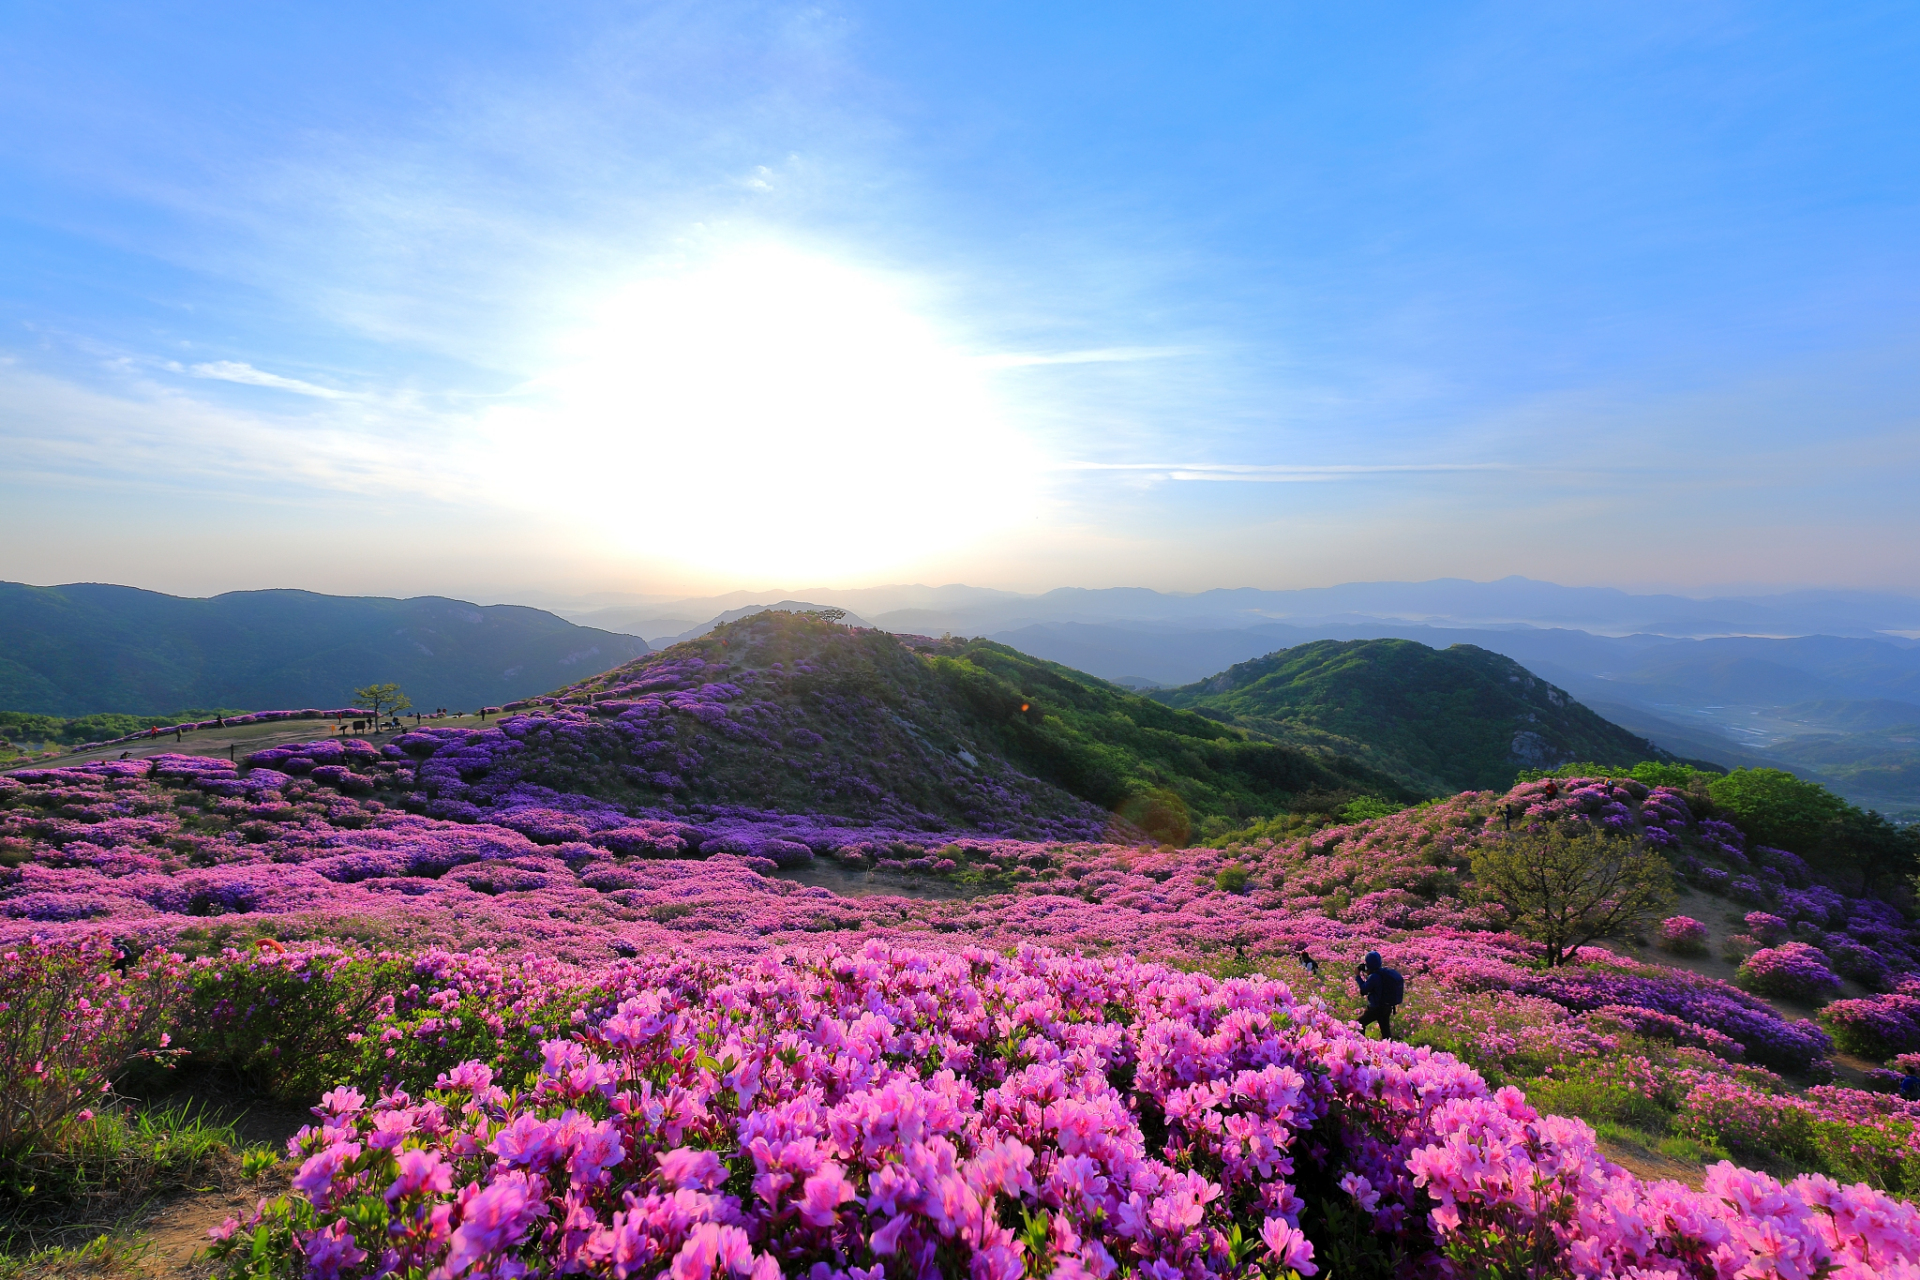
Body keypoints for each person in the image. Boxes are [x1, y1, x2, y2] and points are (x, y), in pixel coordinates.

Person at [1355, 951, 1405, 1040]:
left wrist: (1358, 976)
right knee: (1385, 1032)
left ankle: (1361, 1044)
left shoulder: (1374, 977)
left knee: (1358, 1025)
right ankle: (1389, 1049)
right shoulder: (1382, 973)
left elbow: (1364, 990)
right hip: (1387, 1007)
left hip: (1376, 1008)